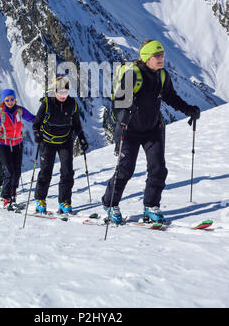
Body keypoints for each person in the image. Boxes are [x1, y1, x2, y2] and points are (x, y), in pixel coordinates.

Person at [102, 39, 201, 224]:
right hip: (129, 131)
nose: (161, 58)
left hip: (152, 130)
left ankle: (150, 206)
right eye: (157, 56)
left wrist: (189, 109)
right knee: (125, 170)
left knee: (158, 169)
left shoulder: (162, 76)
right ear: (147, 58)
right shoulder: (133, 75)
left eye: (162, 55)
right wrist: (123, 114)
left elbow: (171, 97)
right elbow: (117, 103)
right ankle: (110, 204)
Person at [33, 76, 88, 215]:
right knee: (46, 171)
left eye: (65, 92)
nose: (63, 95)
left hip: (65, 141)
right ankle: (40, 200)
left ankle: (64, 202)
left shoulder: (72, 104)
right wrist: (37, 134)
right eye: (60, 92)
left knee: (67, 172)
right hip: (47, 142)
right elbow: (36, 123)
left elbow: (76, 124)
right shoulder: (47, 103)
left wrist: (81, 137)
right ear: (55, 90)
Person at [0, 89, 35, 208]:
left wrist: (42, 121)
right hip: (3, 144)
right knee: (9, 170)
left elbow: (32, 118)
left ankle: (13, 191)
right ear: (4, 101)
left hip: (17, 144)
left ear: (15, 99)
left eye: (12, 99)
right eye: (7, 100)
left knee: (17, 171)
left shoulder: (20, 110)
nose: (10, 102)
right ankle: (6, 196)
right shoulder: (1, 113)